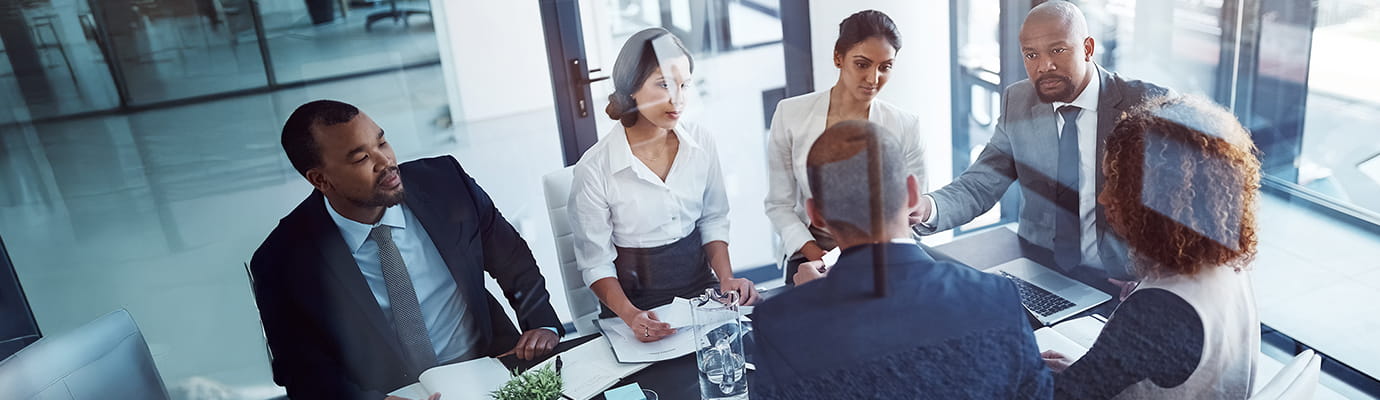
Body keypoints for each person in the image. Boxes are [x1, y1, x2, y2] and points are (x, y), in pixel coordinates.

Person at [250, 100, 564, 400]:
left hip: (491, 365)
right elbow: (300, 370)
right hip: (388, 391)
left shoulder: (447, 183)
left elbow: (512, 259)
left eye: (382, 143)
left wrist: (540, 322)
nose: (386, 162)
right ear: (320, 179)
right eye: (361, 158)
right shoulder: (281, 261)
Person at [749, 120, 1052, 399]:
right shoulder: (996, 296)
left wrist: (811, 303)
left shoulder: (777, 325)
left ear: (816, 215)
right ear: (912, 193)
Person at [913, 1, 1171, 285]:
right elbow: (981, 183)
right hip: (1040, 266)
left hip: (1122, 280)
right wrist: (925, 207)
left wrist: (1157, 278)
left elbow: (1177, 207)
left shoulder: (1147, 104)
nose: (1044, 66)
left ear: (1087, 48)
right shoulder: (1018, 100)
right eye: (1031, 55)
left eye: (1057, 50)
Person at [1041, 95, 1261, 399]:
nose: (1104, 198)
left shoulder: (1158, 312)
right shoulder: (1227, 268)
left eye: (1115, 183)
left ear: (1159, 200)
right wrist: (1091, 370)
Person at [569, 28, 758, 343]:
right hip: (634, 308)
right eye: (664, 84)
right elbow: (596, 263)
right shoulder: (593, 169)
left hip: (702, 293)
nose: (677, 99)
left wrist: (726, 279)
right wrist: (631, 315)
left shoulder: (701, 141)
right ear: (631, 87)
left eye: (684, 85)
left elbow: (712, 219)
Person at [764, 10, 926, 283]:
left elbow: (911, 210)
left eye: (885, 67)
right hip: (812, 254)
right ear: (838, 57)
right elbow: (779, 204)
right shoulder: (790, 114)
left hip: (883, 256)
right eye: (862, 64)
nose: (873, 79)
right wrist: (818, 256)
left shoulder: (906, 125)